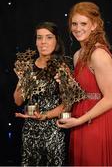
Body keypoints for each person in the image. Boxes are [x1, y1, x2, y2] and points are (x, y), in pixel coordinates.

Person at [57, 2, 112, 166]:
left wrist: (80, 120)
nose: (78, 28)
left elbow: (111, 98)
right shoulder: (78, 55)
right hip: (79, 119)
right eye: (74, 24)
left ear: (95, 25)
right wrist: (64, 84)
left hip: (96, 122)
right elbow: (79, 93)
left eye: (83, 23)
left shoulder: (99, 54)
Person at [13, 21, 69, 166]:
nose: (43, 42)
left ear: (56, 41)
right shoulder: (28, 67)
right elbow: (18, 101)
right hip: (30, 131)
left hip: (54, 131)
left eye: (49, 37)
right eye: (39, 37)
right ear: (36, 41)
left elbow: (67, 105)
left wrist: (44, 116)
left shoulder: (62, 67)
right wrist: (23, 80)